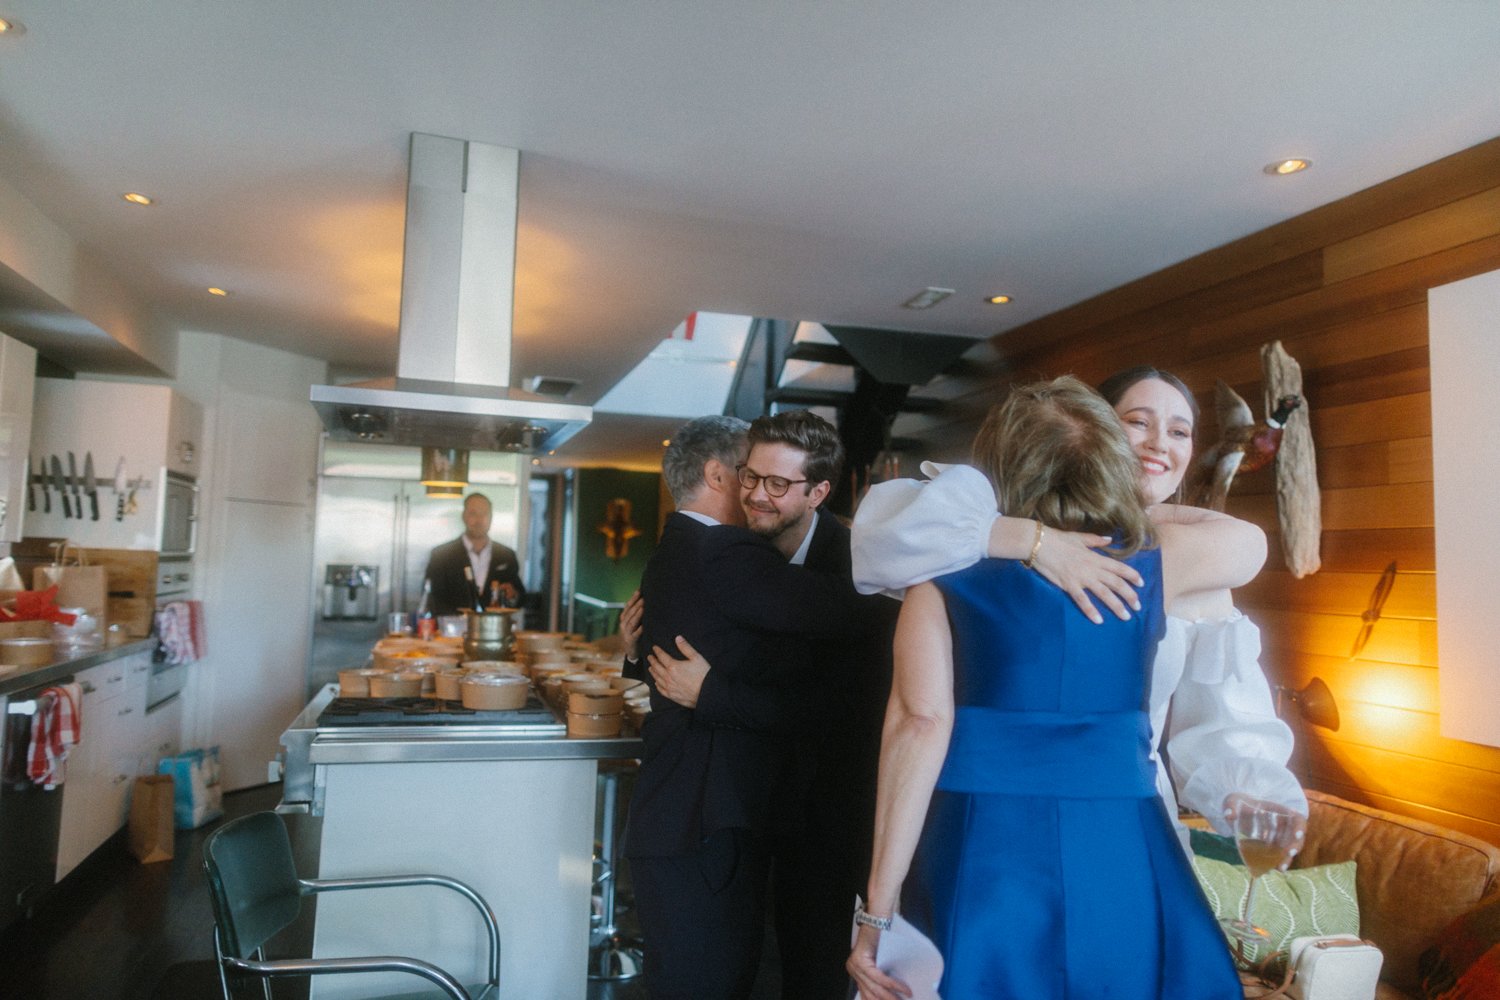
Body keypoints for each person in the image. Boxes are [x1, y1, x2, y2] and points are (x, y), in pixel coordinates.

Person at [847, 376, 1246, 1000]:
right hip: (1122, 845)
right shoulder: (1153, 566)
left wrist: (878, 906)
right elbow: (1249, 544)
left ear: (999, 468)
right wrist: (1127, 512)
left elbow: (918, 724)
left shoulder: (939, 577)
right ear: (1112, 461)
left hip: (980, 843)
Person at [850, 365, 1307, 851]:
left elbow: (1218, 708)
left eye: (1179, 431)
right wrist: (1033, 538)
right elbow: (882, 537)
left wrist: (1243, 791)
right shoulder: (971, 526)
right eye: (1138, 422)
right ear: (1092, 427)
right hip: (978, 808)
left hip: (1125, 816)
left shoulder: (1190, 562)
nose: (1159, 444)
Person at [646, 410, 899, 999]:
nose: (758, 495)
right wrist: (639, 648)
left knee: (812, 978)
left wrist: (714, 694)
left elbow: (847, 711)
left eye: (778, 485)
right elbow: (709, 634)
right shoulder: (726, 547)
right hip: (736, 816)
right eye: (751, 477)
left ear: (819, 493)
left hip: (825, 820)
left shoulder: (866, 567)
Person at [422, 492, 525, 616]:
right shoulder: (441, 555)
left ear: (491, 517)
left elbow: (520, 598)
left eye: (484, 514)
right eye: (473, 513)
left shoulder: (506, 555)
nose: (479, 520)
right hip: (453, 631)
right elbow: (431, 597)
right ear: (463, 516)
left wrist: (513, 595)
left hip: (493, 630)